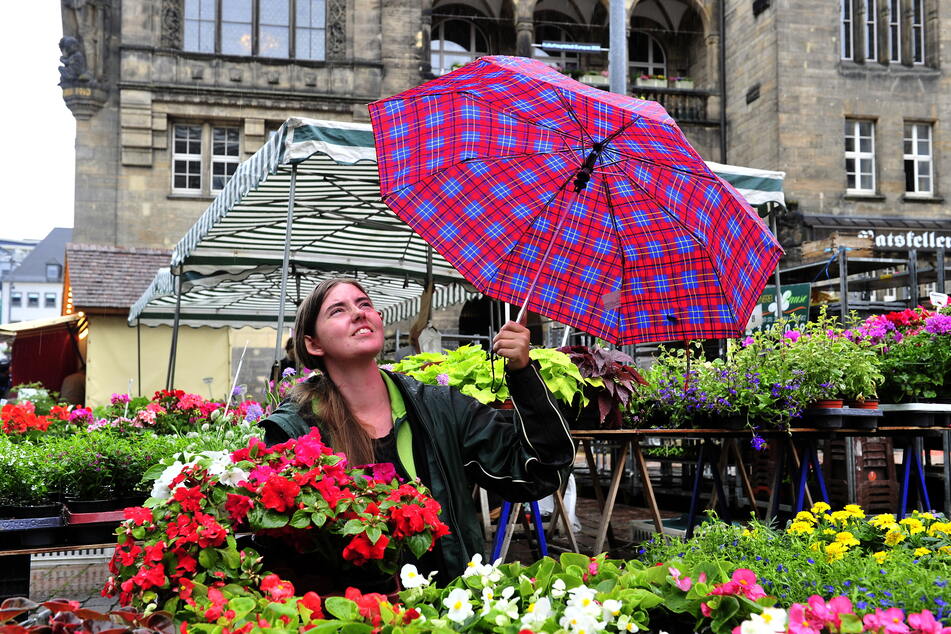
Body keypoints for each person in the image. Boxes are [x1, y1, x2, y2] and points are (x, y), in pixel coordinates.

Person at [260, 278, 574, 578]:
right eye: (338, 310)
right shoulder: (294, 430)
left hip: (445, 603)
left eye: (364, 304)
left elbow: (540, 472)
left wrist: (522, 374)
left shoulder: (441, 408)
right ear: (313, 344)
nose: (358, 313)